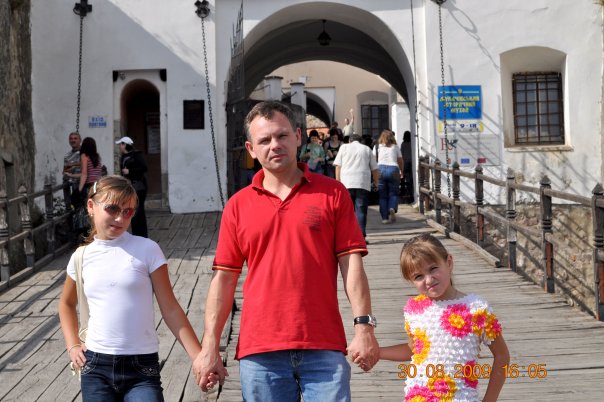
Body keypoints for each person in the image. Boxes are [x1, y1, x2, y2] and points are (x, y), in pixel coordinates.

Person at [192, 101, 379, 401]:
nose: (274, 145)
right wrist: (210, 346)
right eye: (264, 140)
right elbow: (224, 279)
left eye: (282, 136)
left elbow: (351, 265)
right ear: (251, 149)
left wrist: (364, 328)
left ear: (298, 136)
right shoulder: (238, 206)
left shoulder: (333, 193)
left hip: (323, 344)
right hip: (260, 350)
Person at [58, 175, 214, 401]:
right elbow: (66, 303)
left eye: (128, 211)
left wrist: (199, 357)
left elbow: (170, 308)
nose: (120, 218)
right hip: (96, 366)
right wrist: (73, 345)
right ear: (91, 206)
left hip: (141, 367)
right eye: (112, 208)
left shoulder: (147, 250)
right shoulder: (81, 257)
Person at [379, 234, 510, 402]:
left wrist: (489, 399)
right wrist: (378, 352)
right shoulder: (414, 309)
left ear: (448, 263)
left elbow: (502, 356)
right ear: (410, 280)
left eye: (433, 269)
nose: (428, 280)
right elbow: (414, 349)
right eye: (418, 276)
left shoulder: (476, 308)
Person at [333, 133, 379, 239]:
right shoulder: (366, 149)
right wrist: (376, 182)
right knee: (361, 210)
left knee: (347, 210)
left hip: (346, 183)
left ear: (349, 140)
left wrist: (337, 182)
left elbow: (338, 166)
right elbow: (375, 169)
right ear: (360, 141)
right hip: (362, 182)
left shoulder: (344, 147)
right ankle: (361, 236)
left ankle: (348, 236)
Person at [116, 136, 149, 237]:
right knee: (132, 210)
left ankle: (142, 235)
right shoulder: (123, 157)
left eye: (121, 144)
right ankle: (136, 234)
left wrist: (130, 171)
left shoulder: (137, 155)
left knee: (139, 211)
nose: (119, 146)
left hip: (138, 186)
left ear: (125, 145)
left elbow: (144, 168)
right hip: (129, 187)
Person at [373, 130, 404, 224]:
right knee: (393, 193)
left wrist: (374, 175)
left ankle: (385, 218)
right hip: (393, 169)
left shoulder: (377, 147)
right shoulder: (395, 147)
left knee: (382, 196)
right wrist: (401, 171)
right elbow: (400, 160)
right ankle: (392, 207)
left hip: (380, 169)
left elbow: (373, 160)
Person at [62, 132, 81, 209]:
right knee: (76, 209)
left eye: (75, 138)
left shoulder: (85, 153)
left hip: (85, 185)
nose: (73, 140)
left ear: (80, 140)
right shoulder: (67, 156)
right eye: (71, 139)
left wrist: (74, 166)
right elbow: (66, 172)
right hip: (74, 187)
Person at [400, 130, 414, 203]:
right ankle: (411, 193)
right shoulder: (412, 144)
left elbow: (401, 154)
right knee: (411, 179)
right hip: (411, 162)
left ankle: (404, 191)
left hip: (405, 162)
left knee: (404, 178)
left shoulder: (403, 144)